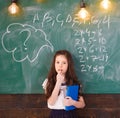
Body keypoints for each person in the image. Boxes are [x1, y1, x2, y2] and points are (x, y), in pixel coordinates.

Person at [42, 50, 85, 118]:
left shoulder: (73, 81)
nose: (60, 65)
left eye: (64, 63)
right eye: (58, 62)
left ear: (68, 65)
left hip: (71, 114)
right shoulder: (49, 81)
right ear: (54, 64)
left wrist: (72, 102)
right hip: (55, 114)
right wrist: (58, 83)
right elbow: (51, 102)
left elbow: (82, 104)